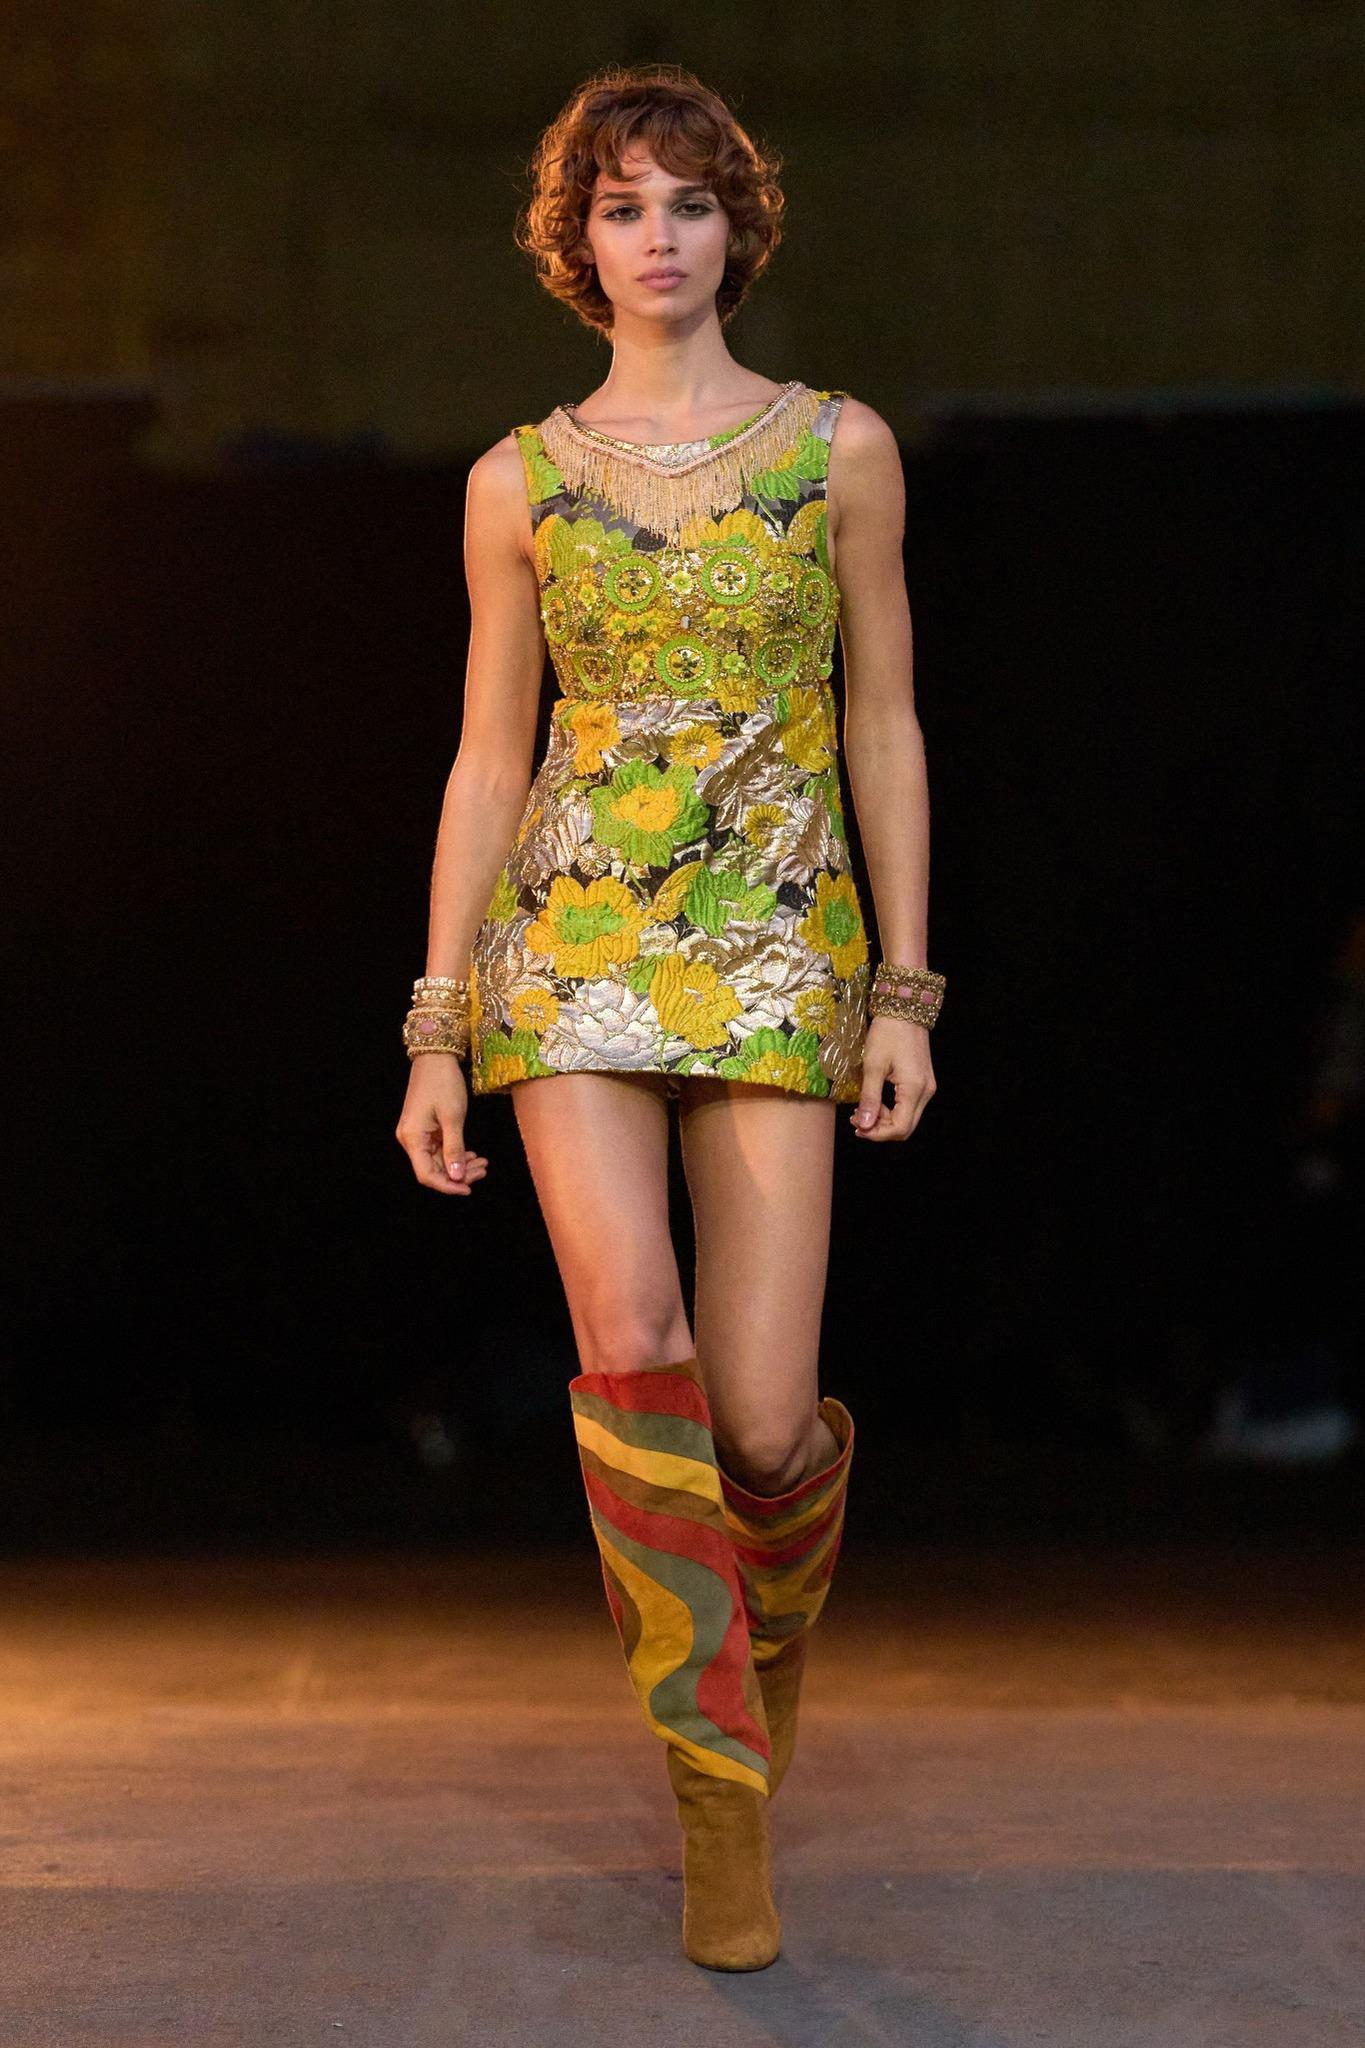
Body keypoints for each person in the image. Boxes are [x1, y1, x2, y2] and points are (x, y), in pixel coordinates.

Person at [394, 61, 942, 1972]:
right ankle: (716, 1797)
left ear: (737, 228)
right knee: (631, 1340)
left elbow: (885, 722)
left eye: (687, 203)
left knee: (767, 1426)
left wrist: (903, 992)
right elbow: (489, 757)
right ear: (577, 243)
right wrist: (438, 1021)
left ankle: (746, 1677)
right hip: (571, 938)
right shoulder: (516, 481)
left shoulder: (838, 451)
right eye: (621, 206)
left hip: (778, 936)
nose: (656, 237)